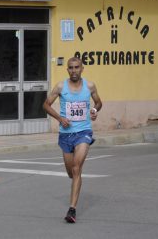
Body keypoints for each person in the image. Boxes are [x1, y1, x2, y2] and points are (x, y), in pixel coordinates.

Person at [43, 56, 102, 223]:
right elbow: (46, 104)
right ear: (67, 69)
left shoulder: (89, 86)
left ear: (82, 68)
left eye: (77, 67)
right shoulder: (61, 86)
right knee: (71, 172)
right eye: (71, 67)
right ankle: (76, 180)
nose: (74, 70)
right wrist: (60, 119)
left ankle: (72, 209)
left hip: (83, 132)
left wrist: (95, 110)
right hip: (65, 134)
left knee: (77, 168)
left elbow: (98, 102)